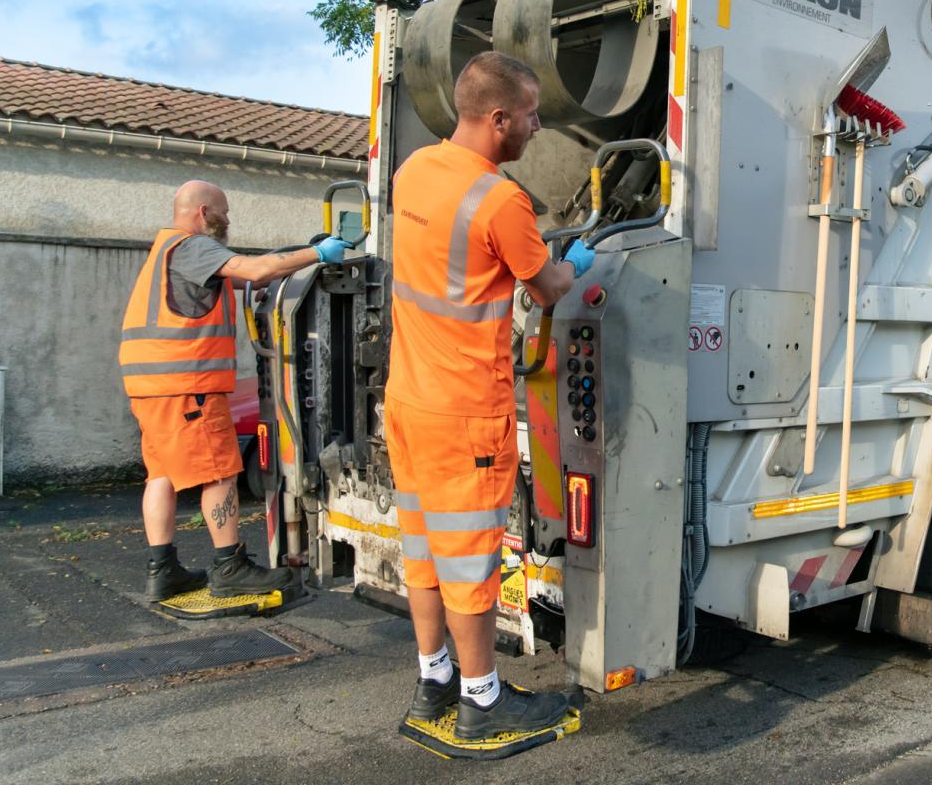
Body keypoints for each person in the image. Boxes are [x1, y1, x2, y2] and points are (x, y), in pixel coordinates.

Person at [385, 51, 593, 739]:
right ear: (499, 117)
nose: (537, 127)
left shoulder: (413, 170)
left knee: (424, 551)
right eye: (531, 114)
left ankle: (435, 682)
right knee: (470, 556)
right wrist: (575, 264)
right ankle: (483, 700)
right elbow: (548, 288)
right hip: (465, 412)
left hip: (410, 401)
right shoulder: (502, 201)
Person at [119, 180, 352, 601]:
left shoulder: (167, 253)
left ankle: (162, 570)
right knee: (221, 471)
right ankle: (229, 566)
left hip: (152, 388)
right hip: (188, 387)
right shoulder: (193, 247)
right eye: (224, 212)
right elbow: (254, 269)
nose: (229, 220)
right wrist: (318, 254)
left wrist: (296, 255)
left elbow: (253, 276)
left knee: (162, 476)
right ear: (204, 212)